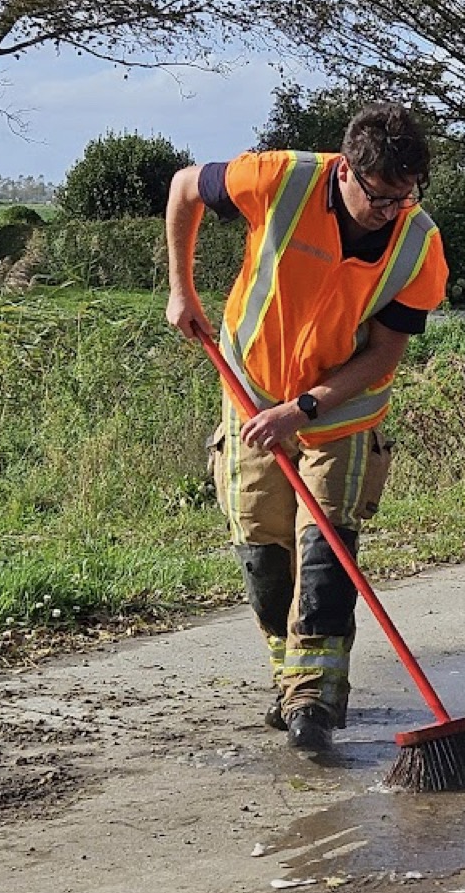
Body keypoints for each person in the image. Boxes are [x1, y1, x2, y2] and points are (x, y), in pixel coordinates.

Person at [165, 104, 448, 753]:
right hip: (252, 389)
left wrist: (306, 409)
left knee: (324, 555)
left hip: (341, 409)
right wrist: (181, 289)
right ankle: (289, 680)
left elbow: (383, 354)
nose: (391, 210)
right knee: (263, 554)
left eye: (405, 197)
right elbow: (185, 187)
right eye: (380, 197)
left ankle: (314, 705)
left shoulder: (418, 244)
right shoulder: (281, 180)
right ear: (346, 170)